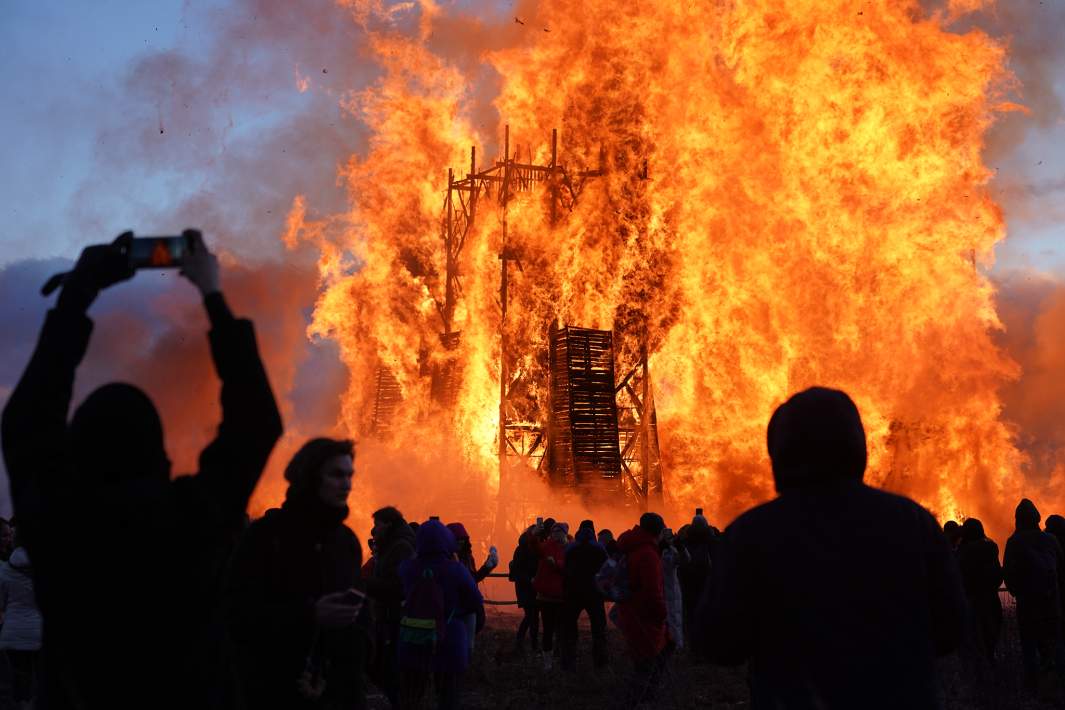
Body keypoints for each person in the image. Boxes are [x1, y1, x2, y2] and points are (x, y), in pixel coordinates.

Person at [1, 231, 283, 708]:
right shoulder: (191, 519)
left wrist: (77, 295)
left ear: (73, 451)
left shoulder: (56, 523)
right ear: (163, 456)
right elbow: (256, 422)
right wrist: (212, 293)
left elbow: (26, 420)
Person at [697, 387, 966, 710]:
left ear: (781, 452)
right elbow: (951, 629)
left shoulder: (752, 534)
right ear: (857, 447)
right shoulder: (913, 523)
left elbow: (718, 643)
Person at [227, 438, 369, 709]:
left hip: (335, 693)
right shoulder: (265, 537)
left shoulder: (346, 542)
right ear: (311, 476)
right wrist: (308, 616)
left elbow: (360, 618)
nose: (347, 484)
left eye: (350, 475)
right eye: (337, 474)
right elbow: (235, 613)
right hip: (273, 691)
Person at [397, 520, 484, 710]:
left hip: (413, 636)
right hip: (450, 636)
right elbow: (476, 601)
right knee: (448, 694)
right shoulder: (456, 569)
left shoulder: (407, 568)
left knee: (411, 695)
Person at [1003, 498, 1065, 692]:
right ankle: (1058, 686)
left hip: (1027, 606)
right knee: (1055, 645)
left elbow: (1008, 573)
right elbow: (1062, 567)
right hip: (1051, 603)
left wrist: (1017, 592)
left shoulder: (1014, 541)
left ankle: (1032, 688)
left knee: (1029, 647)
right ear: (1037, 518)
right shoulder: (1050, 539)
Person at [615, 513, 668, 706]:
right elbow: (652, 593)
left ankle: (638, 700)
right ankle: (637, 702)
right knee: (646, 666)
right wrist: (663, 614)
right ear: (657, 530)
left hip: (630, 612)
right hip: (644, 617)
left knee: (641, 663)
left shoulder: (631, 547)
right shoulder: (647, 554)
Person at [365, 506, 416, 706]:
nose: (374, 529)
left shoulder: (401, 547)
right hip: (386, 615)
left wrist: (366, 584)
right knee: (381, 667)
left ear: (388, 524)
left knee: (388, 668)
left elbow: (400, 586)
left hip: (394, 617)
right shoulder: (393, 545)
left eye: (376, 524)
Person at [0, 531, 42, 710]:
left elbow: (1, 603)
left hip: (13, 632)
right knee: (40, 680)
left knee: (18, 680)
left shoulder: (3, 570)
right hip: (39, 632)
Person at [561, 521, 608, 670]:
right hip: (594, 593)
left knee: (569, 629)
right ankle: (600, 665)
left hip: (573, 592)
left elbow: (564, 568)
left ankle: (569, 664)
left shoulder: (571, 547)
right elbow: (606, 570)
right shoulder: (599, 548)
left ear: (579, 530)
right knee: (599, 630)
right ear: (594, 531)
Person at [957, 518, 1002, 663]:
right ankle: (994, 672)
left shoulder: (962, 552)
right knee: (990, 640)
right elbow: (998, 575)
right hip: (991, 600)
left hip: (971, 601)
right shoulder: (991, 548)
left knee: (975, 644)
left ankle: (979, 677)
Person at [533, 523, 567, 670]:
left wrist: (557, 564)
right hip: (546, 597)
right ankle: (548, 663)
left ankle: (562, 658)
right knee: (547, 629)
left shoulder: (569, 548)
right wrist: (534, 534)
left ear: (565, 533)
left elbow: (571, 566)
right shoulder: (546, 546)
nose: (555, 533)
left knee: (563, 630)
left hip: (563, 598)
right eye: (553, 531)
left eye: (558, 531)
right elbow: (534, 548)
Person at [509, 525, 541, 653]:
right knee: (531, 616)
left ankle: (526, 642)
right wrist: (529, 579)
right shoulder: (522, 549)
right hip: (525, 587)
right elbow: (518, 570)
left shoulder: (536, 548)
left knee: (533, 616)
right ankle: (526, 642)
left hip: (533, 587)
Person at [660, 527, 688, 651]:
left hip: (671, 590)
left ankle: (672, 645)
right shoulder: (656, 550)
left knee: (673, 618)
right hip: (662, 590)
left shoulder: (670, 550)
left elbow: (685, 560)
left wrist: (680, 547)